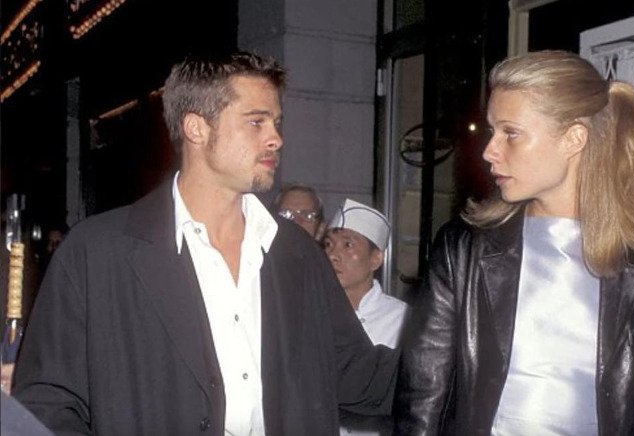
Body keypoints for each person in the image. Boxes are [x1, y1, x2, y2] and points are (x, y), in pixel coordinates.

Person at [12, 51, 397, 435]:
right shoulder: (97, 253)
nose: (276, 139)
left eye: (276, 123)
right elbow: (48, 404)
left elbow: (356, 374)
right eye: (256, 122)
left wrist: (434, 354)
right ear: (196, 129)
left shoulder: (296, 253)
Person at [394, 50, 634, 435]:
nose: (489, 150)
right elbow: (421, 401)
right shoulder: (463, 250)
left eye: (511, 133)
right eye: (492, 131)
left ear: (573, 138)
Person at [324, 199, 408, 435]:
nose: (333, 255)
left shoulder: (404, 320)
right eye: (328, 245)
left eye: (348, 245)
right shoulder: (311, 314)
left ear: (375, 259)